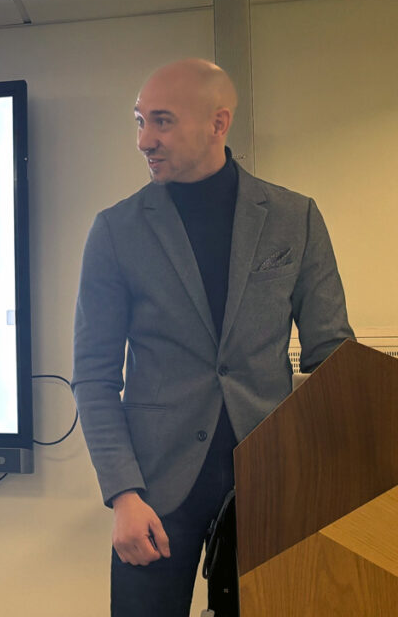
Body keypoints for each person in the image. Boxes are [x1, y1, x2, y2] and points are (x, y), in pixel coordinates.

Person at [71, 58, 352, 616]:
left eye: (162, 121)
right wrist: (123, 494)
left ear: (218, 122)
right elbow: (94, 376)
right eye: (139, 121)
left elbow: (334, 358)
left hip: (273, 482)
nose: (144, 140)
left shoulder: (294, 217)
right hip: (153, 493)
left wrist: (331, 476)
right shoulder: (116, 230)